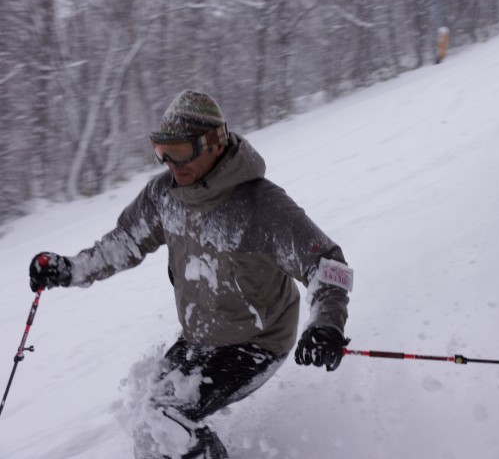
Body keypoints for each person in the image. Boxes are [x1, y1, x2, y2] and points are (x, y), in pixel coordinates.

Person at [28, 89, 353, 459]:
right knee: (146, 412)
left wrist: (327, 324)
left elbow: (329, 264)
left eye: (180, 151)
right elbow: (124, 242)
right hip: (200, 335)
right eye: (161, 150)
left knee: (164, 417)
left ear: (214, 143)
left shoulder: (262, 206)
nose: (170, 162)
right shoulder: (164, 195)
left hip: (257, 341)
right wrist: (70, 270)